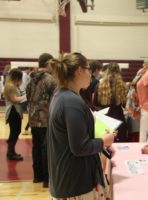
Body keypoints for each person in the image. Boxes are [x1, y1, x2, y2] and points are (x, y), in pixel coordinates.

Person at [48, 52, 116, 199]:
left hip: (69, 179)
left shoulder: (61, 95)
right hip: (76, 184)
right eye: (88, 69)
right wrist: (103, 141)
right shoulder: (71, 101)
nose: (91, 74)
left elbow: (72, 137)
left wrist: (100, 143)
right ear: (79, 71)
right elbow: (79, 147)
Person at [26, 53, 56, 188]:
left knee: (36, 148)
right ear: (48, 63)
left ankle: (37, 176)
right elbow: (54, 100)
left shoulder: (30, 79)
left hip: (33, 118)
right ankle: (47, 179)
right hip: (45, 119)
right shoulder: (50, 80)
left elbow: (27, 96)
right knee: (46, 149)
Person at [94, 62, 128, 142]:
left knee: (104, 146)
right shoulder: (122, 86)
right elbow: (125, 105)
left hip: (104, 119)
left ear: (107, 71)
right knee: (119, 146)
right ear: (119, 72)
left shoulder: (100, 85)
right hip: (118, 118)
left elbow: (94, 103)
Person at [4, 69, 26, 160]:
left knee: (15, 132)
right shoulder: (11, 86)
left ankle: (11, 152)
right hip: (13, 112)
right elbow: (14, 99)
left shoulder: (11, 85)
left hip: (14, 111)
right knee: (15, 132)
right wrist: (26, 96)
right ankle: (10, 152)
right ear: (17, 77)